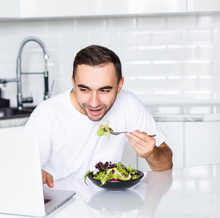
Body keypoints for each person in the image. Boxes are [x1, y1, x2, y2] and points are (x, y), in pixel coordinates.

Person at [23, 45, 173, 188]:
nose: (94, 103)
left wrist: (151, 153)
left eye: (104, 90)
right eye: (84, 89)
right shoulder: (47, 114)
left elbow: (166, 164)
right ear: (73, 83)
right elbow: (21, 170)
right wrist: (32, 174)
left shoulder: (129, 104)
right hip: (60, 202)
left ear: (119, 85)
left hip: (107, 206)